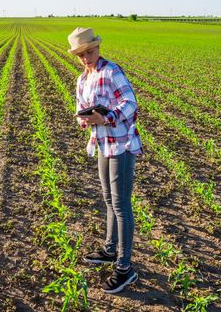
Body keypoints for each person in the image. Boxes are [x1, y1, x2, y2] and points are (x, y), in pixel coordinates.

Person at [68, 27, 143, 294]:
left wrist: (106, 117)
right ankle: (110, 250)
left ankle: (125, 268)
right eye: (81, 54)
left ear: (98, 48)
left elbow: (130, 103)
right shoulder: (82, 79)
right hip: (101, 144)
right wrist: (84, 119)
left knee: (121, 204)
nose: (86, 57)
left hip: (121, 144)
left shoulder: (112, 72)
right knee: (109, 199)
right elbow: (80, 108)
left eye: (90, 51)